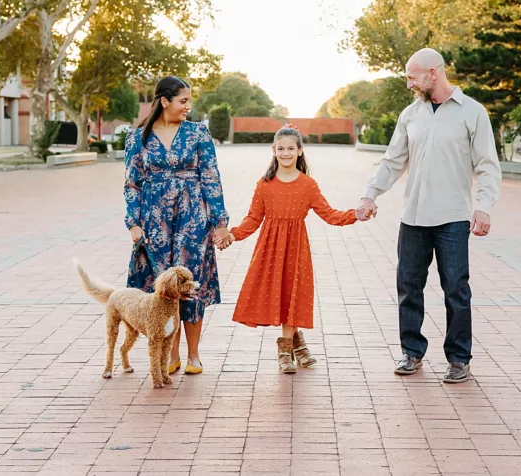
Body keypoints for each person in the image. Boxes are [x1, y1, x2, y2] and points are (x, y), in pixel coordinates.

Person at [356, 48, 502, 383]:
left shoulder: (473, 113)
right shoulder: (410, 115)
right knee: (408, 286)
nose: (409, 83)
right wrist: (370, 195)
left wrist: (484, 206)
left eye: (412, 76)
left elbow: (487, 165)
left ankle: (459, 358)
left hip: (453, 217)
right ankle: (411, 352)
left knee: (456, 289)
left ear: (432, 74)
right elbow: (393, 161)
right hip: (413, 218)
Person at [217, 125, 357, 373]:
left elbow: (329, 214)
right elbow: (253, 219)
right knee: (279, 295)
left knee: (293, 293)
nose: (285, 153)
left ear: (300, 151)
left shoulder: (308, 185)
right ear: (273, 151)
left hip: (296, 248)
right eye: (280, 149)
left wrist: (355, 214)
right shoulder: (264, 184)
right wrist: (232, 235)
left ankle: (285, 352)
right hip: (270, 249)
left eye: (291, 148)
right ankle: (298, 346)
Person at [124, 75, 231, 376]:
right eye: (183, 100)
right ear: (164, 101)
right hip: (153, 220)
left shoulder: (198, 133)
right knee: (163, 286)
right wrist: (133, 222)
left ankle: (193, 355)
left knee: (189, 280)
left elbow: (211, 178)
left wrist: (219, 223)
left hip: (192, 217)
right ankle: (170, 354)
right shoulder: (138, 138)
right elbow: (131, 184)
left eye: (188, 101)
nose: (188, 106)